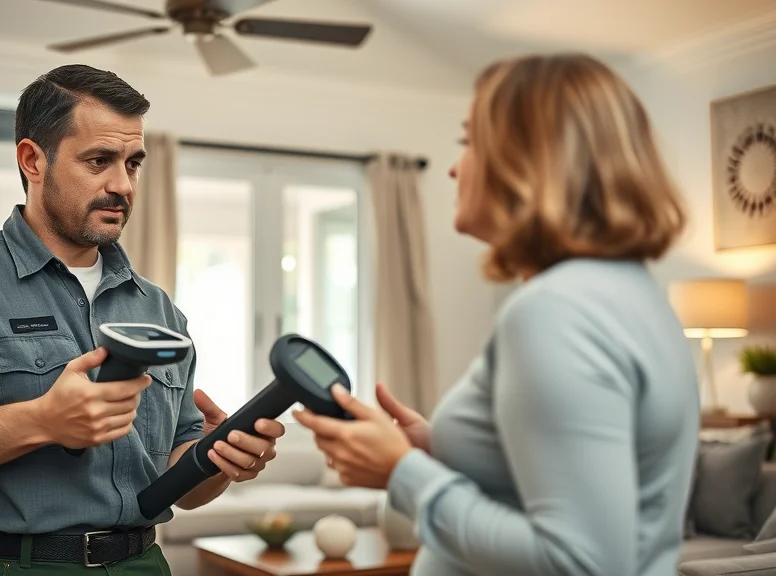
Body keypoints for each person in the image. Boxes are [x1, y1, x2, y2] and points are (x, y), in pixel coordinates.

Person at [0, 64, 285, 576]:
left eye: (133, 163)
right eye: (99, 160)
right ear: (33, 160)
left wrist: (219, 458)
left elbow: (178, 485)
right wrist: (41, 421)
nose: (122, 185)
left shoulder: (159, 309)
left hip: (144, 563)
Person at [294, 53, 699, 576]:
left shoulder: (555, 310)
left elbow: (583, 563)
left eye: (469, 142)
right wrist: (440, 451)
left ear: (528, 160)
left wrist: (403, 470)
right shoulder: (636, 294)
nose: (454, 167)